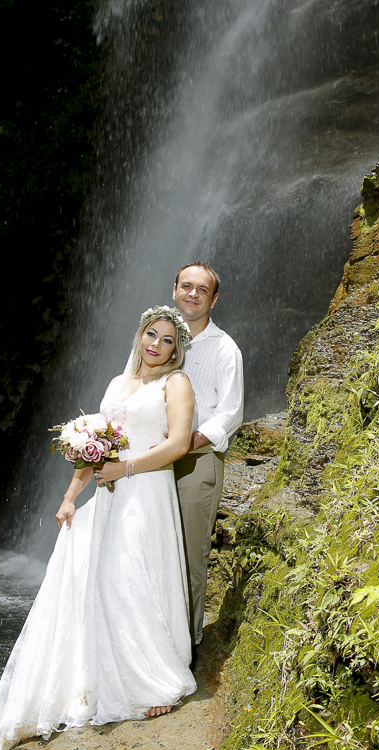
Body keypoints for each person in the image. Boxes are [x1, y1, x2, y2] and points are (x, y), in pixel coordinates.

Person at [0, 306, 198, 750]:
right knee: (99, 581)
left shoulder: (175, 384)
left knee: (132, 577)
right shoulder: (119, 384)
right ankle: (105, 671)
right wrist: (69, 497)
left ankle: (151, 678)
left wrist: (128, 466)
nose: (156, 344)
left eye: (167, 340)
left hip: (145, 489)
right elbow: (97, 446)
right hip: (111, 490)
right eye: (151, 335)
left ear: (177, 350)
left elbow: (177, 444)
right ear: (140, 336)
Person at [126, 262, 244, 655]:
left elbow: (231, 412)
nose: (193, 294)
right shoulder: (156, 342)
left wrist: (187, 441)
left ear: (213, 298)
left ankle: (186, 647)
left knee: (190, 553)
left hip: (196, 460)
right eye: (186, 286)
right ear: (174, 289)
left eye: (202, 289)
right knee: (149, 547)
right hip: (149, 461)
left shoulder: (225, 349)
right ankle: (149, 641)